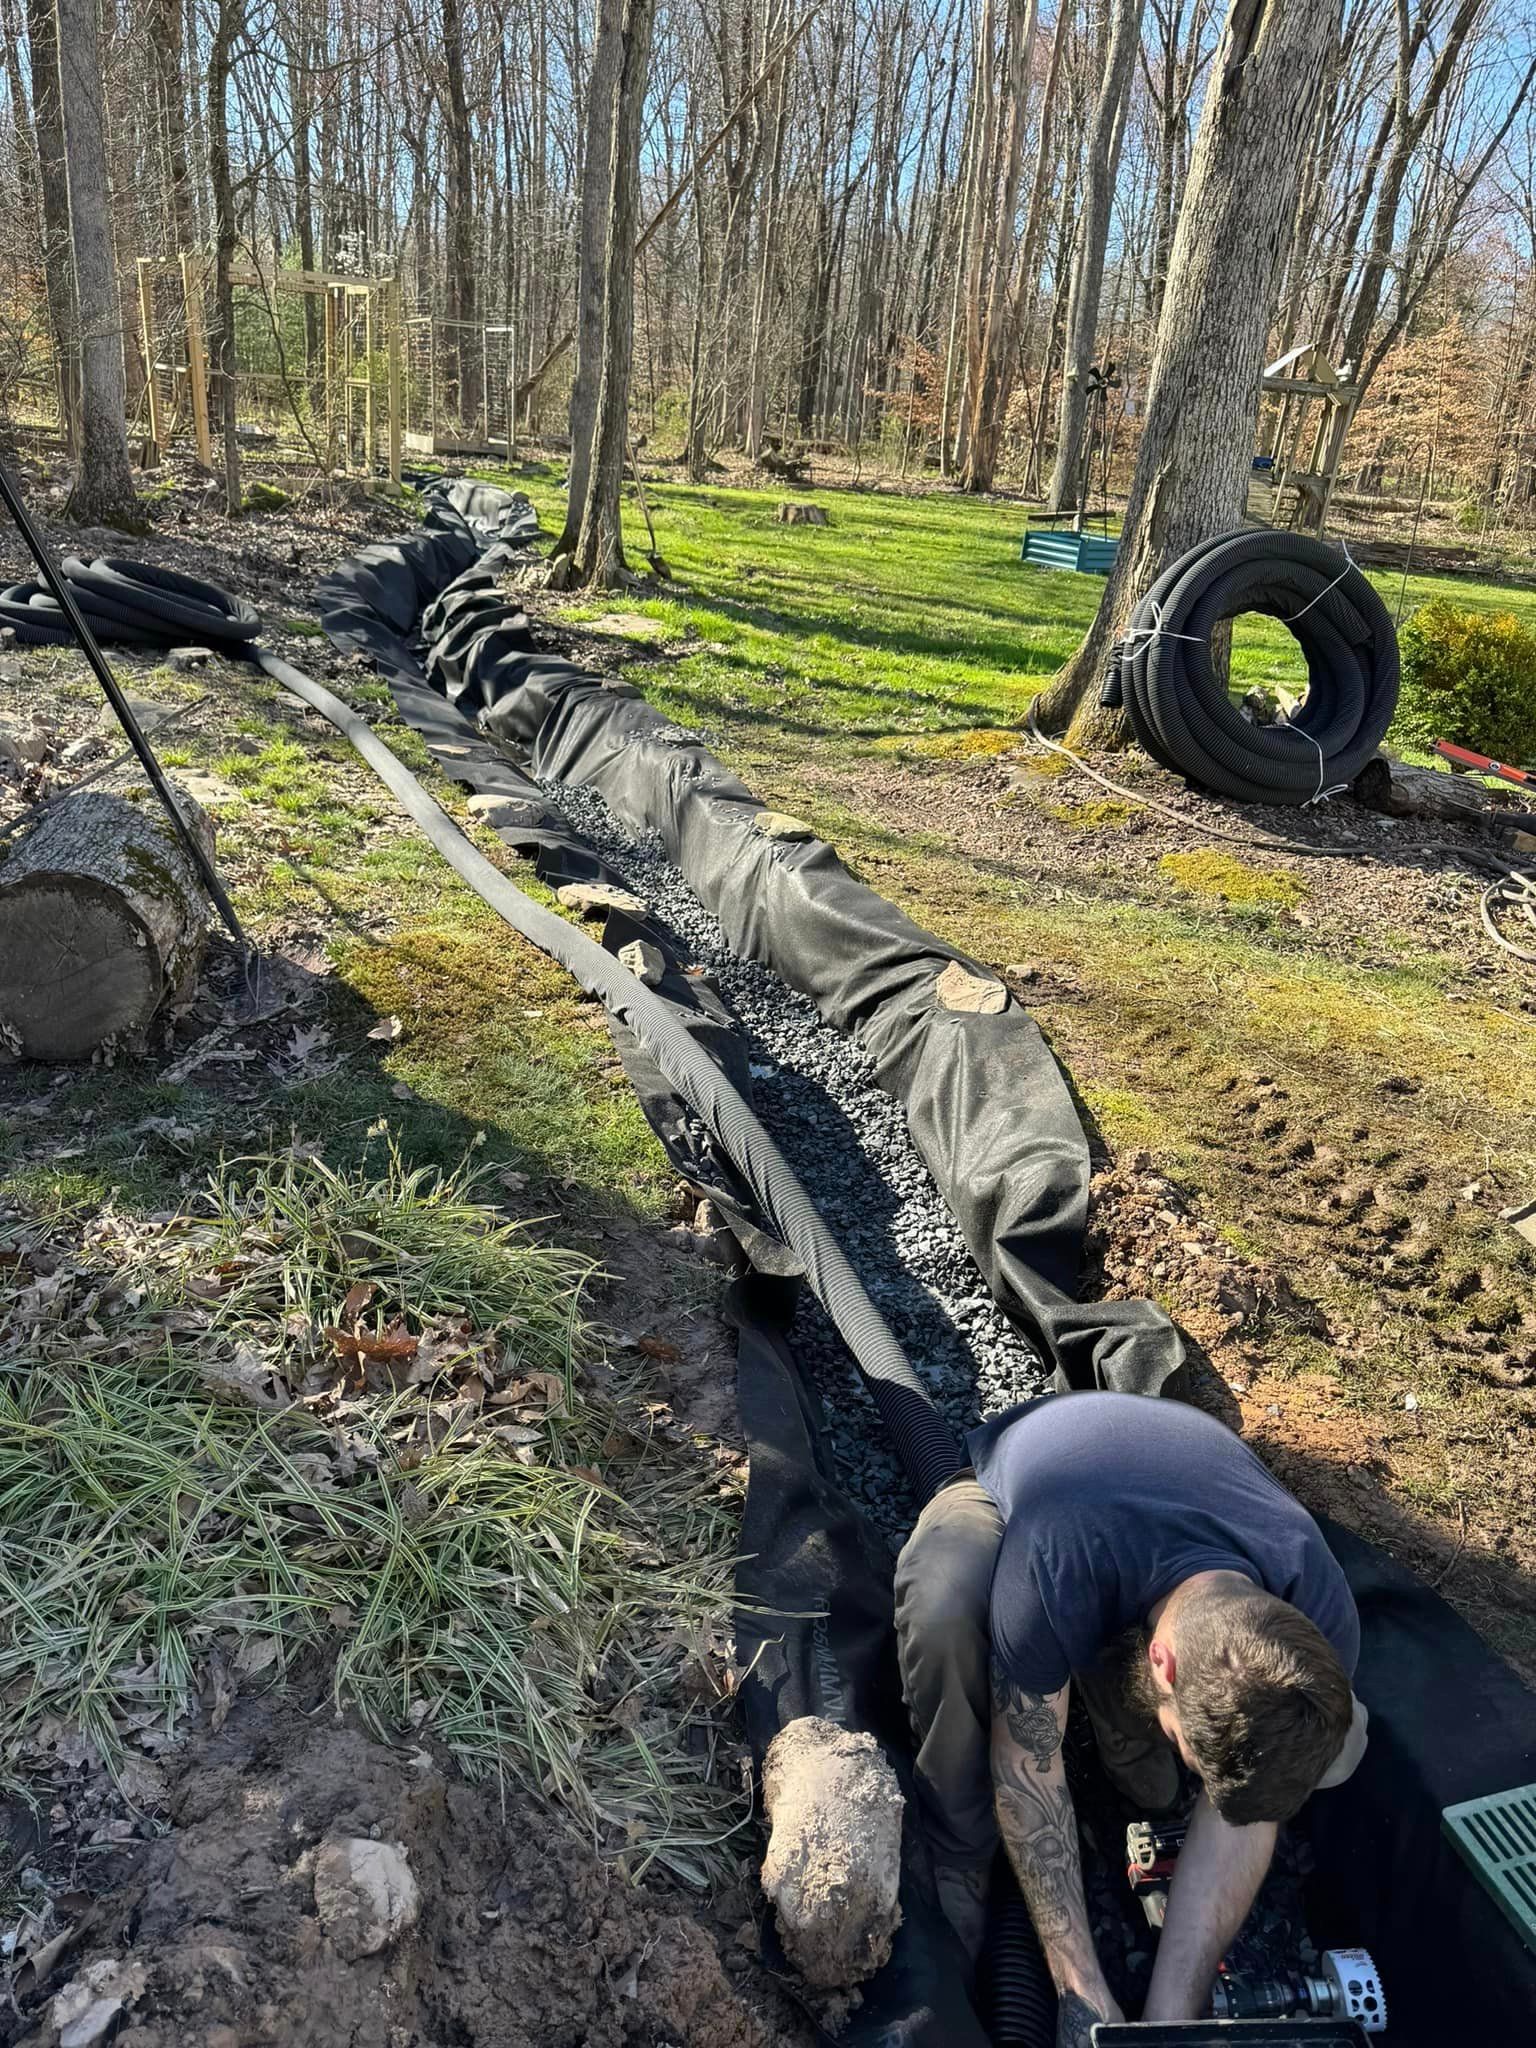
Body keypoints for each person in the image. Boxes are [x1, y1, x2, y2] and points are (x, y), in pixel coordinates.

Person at [893, 1392, 1368, 2046]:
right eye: (1184, 1743)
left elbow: (1248, 1812)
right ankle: (958, 1854)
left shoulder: (1318, 1608)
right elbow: (1025, 1767)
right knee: (947, 1609)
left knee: (1339, 1746)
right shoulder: (1056, 1558)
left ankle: (1117, 1710)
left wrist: (1171, 2016)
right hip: (1024, 1487)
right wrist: (1081, 1993)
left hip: (1157, 1530)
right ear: (1161, 1664)